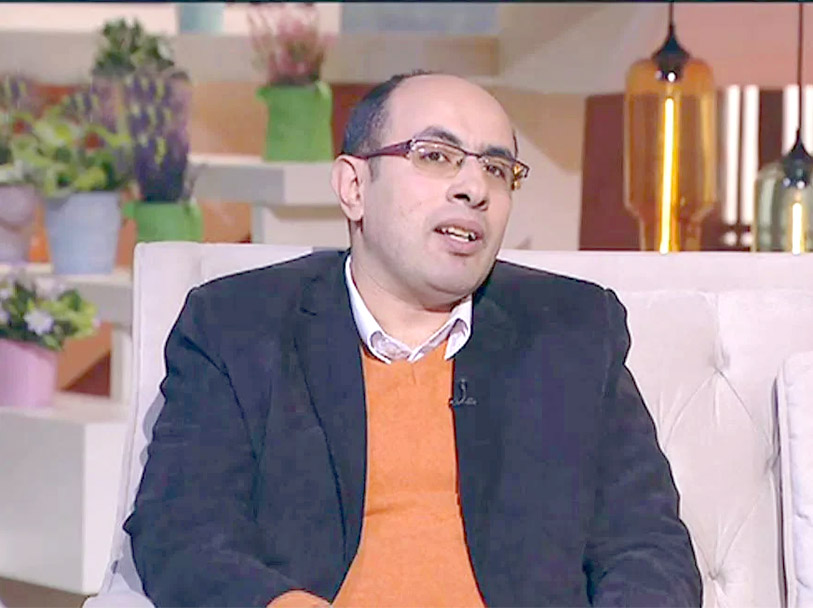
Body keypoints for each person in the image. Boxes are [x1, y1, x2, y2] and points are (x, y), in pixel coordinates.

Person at [124, 71, 702, 607]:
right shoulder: (238, 325)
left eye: (497, 169)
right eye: (435, 156)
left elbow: (649, 549)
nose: (474, 188)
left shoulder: (575, 330)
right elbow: (181, 527)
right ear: (354, 186)